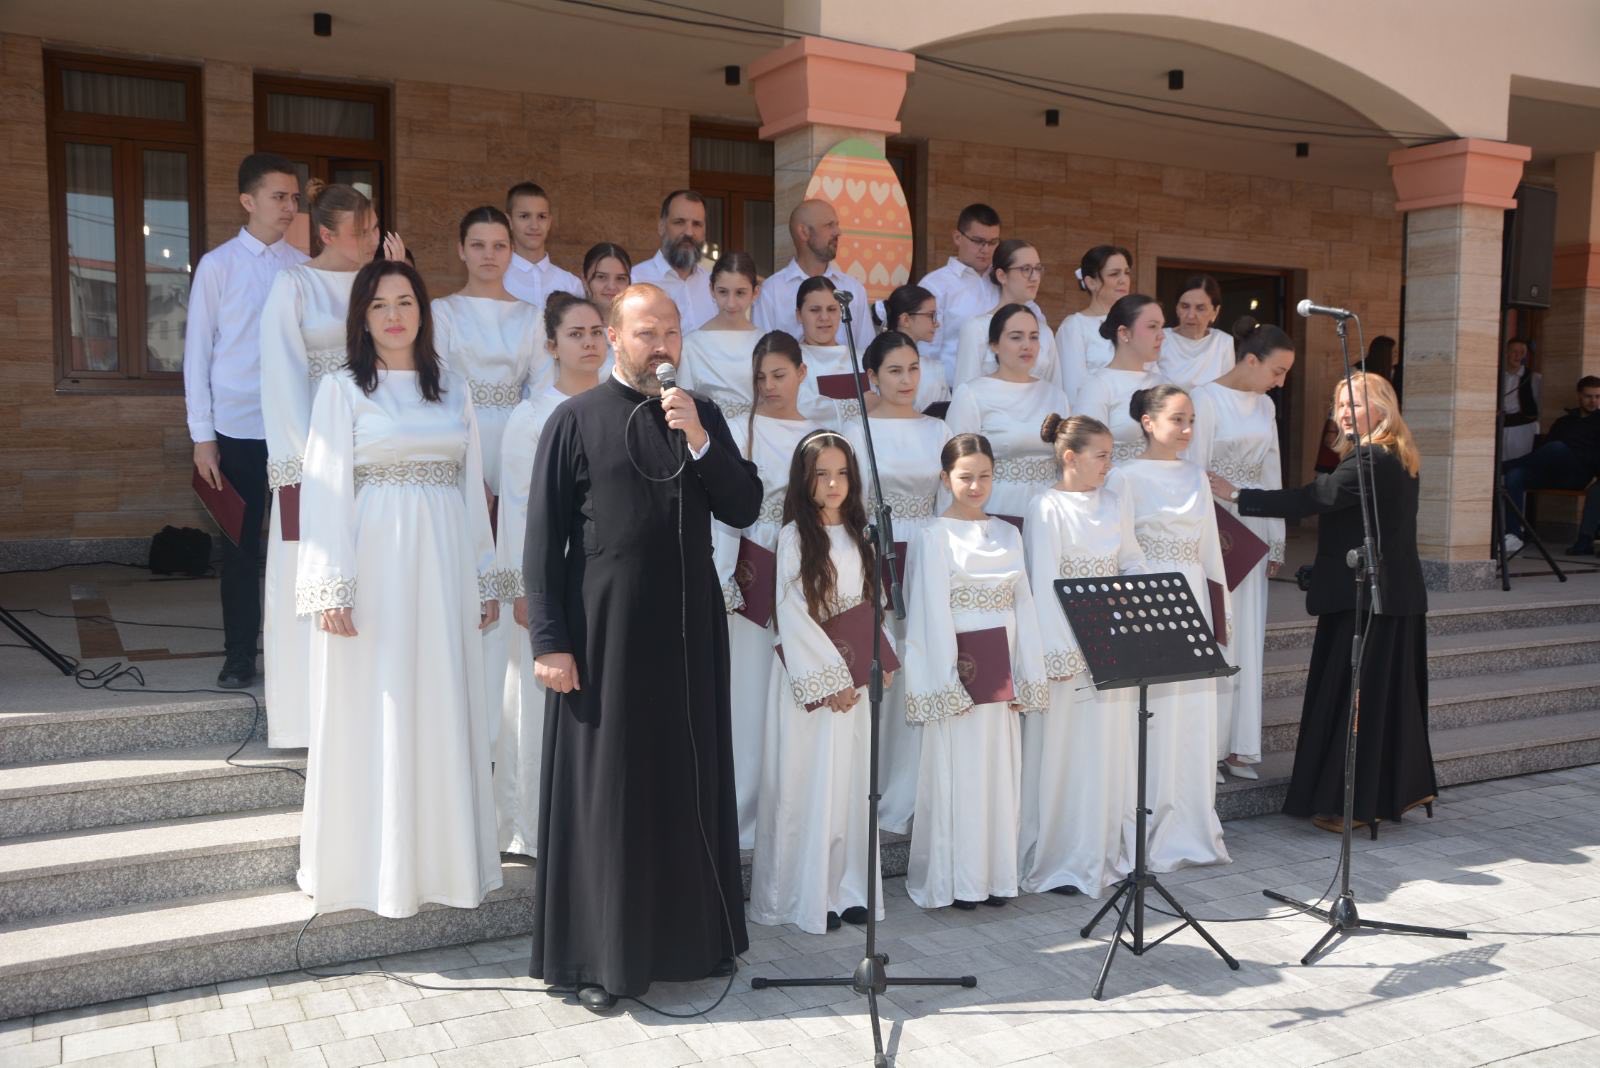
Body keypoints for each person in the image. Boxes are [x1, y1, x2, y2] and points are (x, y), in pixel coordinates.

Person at [523, 283, 761, 1010]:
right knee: (612, 795)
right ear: (615, 338)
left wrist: (699, 439)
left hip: (689, 638)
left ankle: (695, 941)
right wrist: (551, 641)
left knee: (687, 782)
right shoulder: (574, 420)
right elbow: (541, 543)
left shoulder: (702, 415)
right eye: (645, 332)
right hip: (604, 638)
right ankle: (601, 960)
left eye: (671, 333)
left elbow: (744, 505)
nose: (661, 346)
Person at [294, 259, 501, 918]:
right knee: (377, 704)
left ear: (422, 310)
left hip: (443, 566)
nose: (393, 314)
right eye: (378, 303)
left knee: (441, 699)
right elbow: (323, 489)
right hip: (375, 564)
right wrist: (332, 584)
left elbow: (472, 492)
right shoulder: (342, 390)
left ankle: (444, 864)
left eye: (405, 300)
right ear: (361, 317)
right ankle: (368, 871)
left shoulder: (453, 389)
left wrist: (483, 576)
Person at [1213, 372, 1438, 833]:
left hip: (1368, 601)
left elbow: (1314, 498)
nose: (1342, 413)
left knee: (1356, 702)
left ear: (1381, 408)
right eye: (1338, 405)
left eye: (1354, 405)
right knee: (1377, 699)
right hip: (1386, 596)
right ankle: (1379, 795)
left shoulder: (1372, 459)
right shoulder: (1394, 454)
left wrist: (1236, 495)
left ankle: (1355, 805)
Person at [259, 181, 387, 748]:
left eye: (376, 227)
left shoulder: (380, 284)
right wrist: (301, 464)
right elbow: (281, 375)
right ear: (327, 233)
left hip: (376, 449)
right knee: (313, 578)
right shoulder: (294, 285)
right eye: (362, 231)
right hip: (316, 450)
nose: (372, 238)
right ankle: (309, 718)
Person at [748, 430, 887, 935]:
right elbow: (794, 614)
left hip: (855, 683)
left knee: (850, 784)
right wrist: (831, 680)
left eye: (842, 473)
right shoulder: (792, 538)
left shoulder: (862, 535)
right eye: (822, 474)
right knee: (807, 783)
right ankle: (802, 895)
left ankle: (847, 888)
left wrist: (879, 658)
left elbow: (871, 604)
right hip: (811, 686)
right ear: (804, 481)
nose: (833, 483)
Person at [903, 433, 1048, 910]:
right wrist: (948, 682)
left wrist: (1027, 674)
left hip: (1002, 672)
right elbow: (927, 613)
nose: (976, 485)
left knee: (998, 772)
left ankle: (995, 876)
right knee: (958, 773)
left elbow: (1024, 606)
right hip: (960, 675)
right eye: (966, 476)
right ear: (945, 479)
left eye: (984, 475)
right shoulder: (931, 535)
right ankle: (959, 879)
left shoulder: (1009, 532)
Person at [185, 152, 307, 689]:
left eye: (294, 198)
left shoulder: (303, 267)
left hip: (294, 430)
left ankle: (297, 655)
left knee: (299, 541)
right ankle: (240, 655)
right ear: (248, 200)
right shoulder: (218, 265)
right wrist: (202, 436)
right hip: (235, 429)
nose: (289, 206)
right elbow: (197, 354)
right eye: (279, 196)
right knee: (238, 548)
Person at [493, 293, 607, 858]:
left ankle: (589, 822)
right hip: (546, 577)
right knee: (536, 702)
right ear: (552, 345)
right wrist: (523, 588)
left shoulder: (622, 405)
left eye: (596, 331)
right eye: (576, 334)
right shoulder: (532, 416)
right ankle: (532, 825)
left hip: (599, 578)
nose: (589, 342)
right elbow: (518, 506)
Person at [1023, 415, 1149, 898]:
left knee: (1107, 751)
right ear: (1070, 457)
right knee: (1067, 753)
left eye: (1111, 456)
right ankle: (1062, 856)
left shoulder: (1115, 502)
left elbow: (1133, 558)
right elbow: (1045, 582)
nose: (1108, 465)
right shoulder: (1046, 507)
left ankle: (1100, 851)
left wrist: (1126, 594)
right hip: (1070, 645)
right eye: (1101, 456)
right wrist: (1064, 653)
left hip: (1113, 639)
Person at [1106, 385, 1231, 870]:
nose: (1186, 429)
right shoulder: (1124, 478)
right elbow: (1118, 549)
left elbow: (1211, 551)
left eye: (1191, 420)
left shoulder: (1197, 476)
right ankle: (1145, 822)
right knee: (1151, 717)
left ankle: (1189, 820)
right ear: (1147, 421)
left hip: (1194, 596)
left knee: (1191, 716)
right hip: (1148, 601)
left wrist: (1219, 621)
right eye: (1177, 419)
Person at [715, 331, 824, 849]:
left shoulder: (822, 433)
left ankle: (789, 809)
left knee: (793, 681)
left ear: (802, 373)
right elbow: (720, 504)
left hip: (802, 561)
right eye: (760, 377)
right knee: (748, 688)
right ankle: (739, 812)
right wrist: (723, 576)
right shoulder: (739, 428)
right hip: (752, 560)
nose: (769, 386)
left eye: (779, 374)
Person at [847, 331, 952, 833]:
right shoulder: (853, 429)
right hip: (872, 555)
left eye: (913, 368)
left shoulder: (937, 431)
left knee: (915, 667)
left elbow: (947, 505)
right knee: (876, 666)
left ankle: (911, 790)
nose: (907, 379)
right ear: (871, 376)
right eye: (894, 370)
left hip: (924, 554)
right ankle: (868, 786)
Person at [1189, 319, 1294, 781]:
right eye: (1277, 370)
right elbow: (1194, 470)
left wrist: (1276, 538)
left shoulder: (1267, 407)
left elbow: (1271, 471)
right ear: (1250, 360)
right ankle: (1205, 749)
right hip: (1215, 524)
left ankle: (1239, 747)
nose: (1281, 381)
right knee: (1217, 632)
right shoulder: (1203, 398)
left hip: (1252, 520)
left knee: (1247, 635)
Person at [432, 206, 548, 496]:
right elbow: (438, 388)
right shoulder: (442, 312)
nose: (488, 255)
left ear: (511, 251)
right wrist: (463, 465)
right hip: (461, 437)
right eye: (477, 245)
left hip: (517, 440)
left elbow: (542, 389)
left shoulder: (532, 316)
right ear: (461, 250)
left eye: (499, 246)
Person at [944, 305, 1070, 531]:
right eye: (1015, 337)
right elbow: (954, 463)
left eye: (1033, 337)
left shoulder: (1056, 396)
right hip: (996, 509)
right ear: (994, 344)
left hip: (1050, 512)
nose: (1027, 345)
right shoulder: (972, 393)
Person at [751, 199, 873, 354]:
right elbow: (764, 357)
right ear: (804, 232)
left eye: (836, 224)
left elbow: (867, 355)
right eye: (829, 225)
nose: (838, 232)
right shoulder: (771, 292)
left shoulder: (853, 289)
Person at [1503, 375, 1600, 555]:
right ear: (1579, 395)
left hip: (1577, 475)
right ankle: (1514, 535)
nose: (1593, 401)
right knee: (1515, 475)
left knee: (1557, 447)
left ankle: (1502, 467)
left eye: (1598, 396)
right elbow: (1544, 452)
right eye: (1588, 396)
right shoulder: (1564, 422)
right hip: (1552, 472)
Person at [951, 239, 1060, 388]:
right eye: (1026, 269)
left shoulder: (1045, 332)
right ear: (1002, 275)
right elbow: (964, 390)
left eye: (1038, 269)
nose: (1034, 277)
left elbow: (1055, 389)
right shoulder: (977, 329)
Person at [1074, 294, 1168, 467]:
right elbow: (1087, 455)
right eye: (1152, 327)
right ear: (1124, 333)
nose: (1161, 335)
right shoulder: (1098, 386)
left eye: (1162, 327)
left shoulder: (1163, 385)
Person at [918, 203, 1002, 387]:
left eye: (993, 242)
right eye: (978, 241)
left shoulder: (1003, 281)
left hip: (1000, 392)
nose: (986, 249)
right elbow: (926, 351)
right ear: (957, 237)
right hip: (950, 392)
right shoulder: (935, 285)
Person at [678, 252, 764, 419]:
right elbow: (685, 402)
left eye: (740, 293)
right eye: (723, 292)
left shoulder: (765, 343)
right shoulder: (691, 345)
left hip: (757, 437)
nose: (731, 303)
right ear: (711, 290)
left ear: (755, 293)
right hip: (710, 438)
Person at [630, 189, 716, 333]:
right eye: (679, 222)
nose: (689, 232)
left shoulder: (713, 284)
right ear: (661, 227)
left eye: (697, 224)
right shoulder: (635, 281)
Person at [1056, 245, 1133, 406]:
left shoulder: (1135, 324)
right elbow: (1074, 391)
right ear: (1091, 282)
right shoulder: (1075, 326)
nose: (1123, 280)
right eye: (1114, 274)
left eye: (1126, 272)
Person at [502, 181, 584, 309]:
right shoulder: (498, 280)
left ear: (549, 222)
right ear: (509, 221)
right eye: (524, 216)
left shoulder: (571, 285)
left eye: (541, 216)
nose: (534, 226)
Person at [792, 276, 859, 428]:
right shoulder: (791, 361)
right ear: (799, 315)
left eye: (832, 309)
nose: (824, 317)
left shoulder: (859, 359)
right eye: (815, 310)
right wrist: (860, 405)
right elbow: (801, 407)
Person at [876, 284, 949, 412]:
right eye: (931, 315)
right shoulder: (876, 363)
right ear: (905, 319)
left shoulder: (935, 368)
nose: (936, 323)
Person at [1159, 274, 1236, 389]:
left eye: (1200, 308)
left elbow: (1227, 391)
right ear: (1177, 308)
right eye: (1185, 306)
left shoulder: (1223, 342)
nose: (1190, 315)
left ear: (1215, 311)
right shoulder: (1160, 338)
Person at [581, 241, 631, 378]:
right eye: (601, 277)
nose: (611, 286)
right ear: (584, 280)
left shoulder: (636, 329)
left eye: (620, 279)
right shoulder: (572, 328)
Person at [1499, 338, 1541, 464]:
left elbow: (1540, 406)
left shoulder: (1534, 378)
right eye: (1514, 352)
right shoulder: (1496, 376)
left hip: (1523, 429)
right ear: (1506, 353)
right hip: (1500, 427)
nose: (1518, 356)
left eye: (1522, 352)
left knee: (1519, 464)